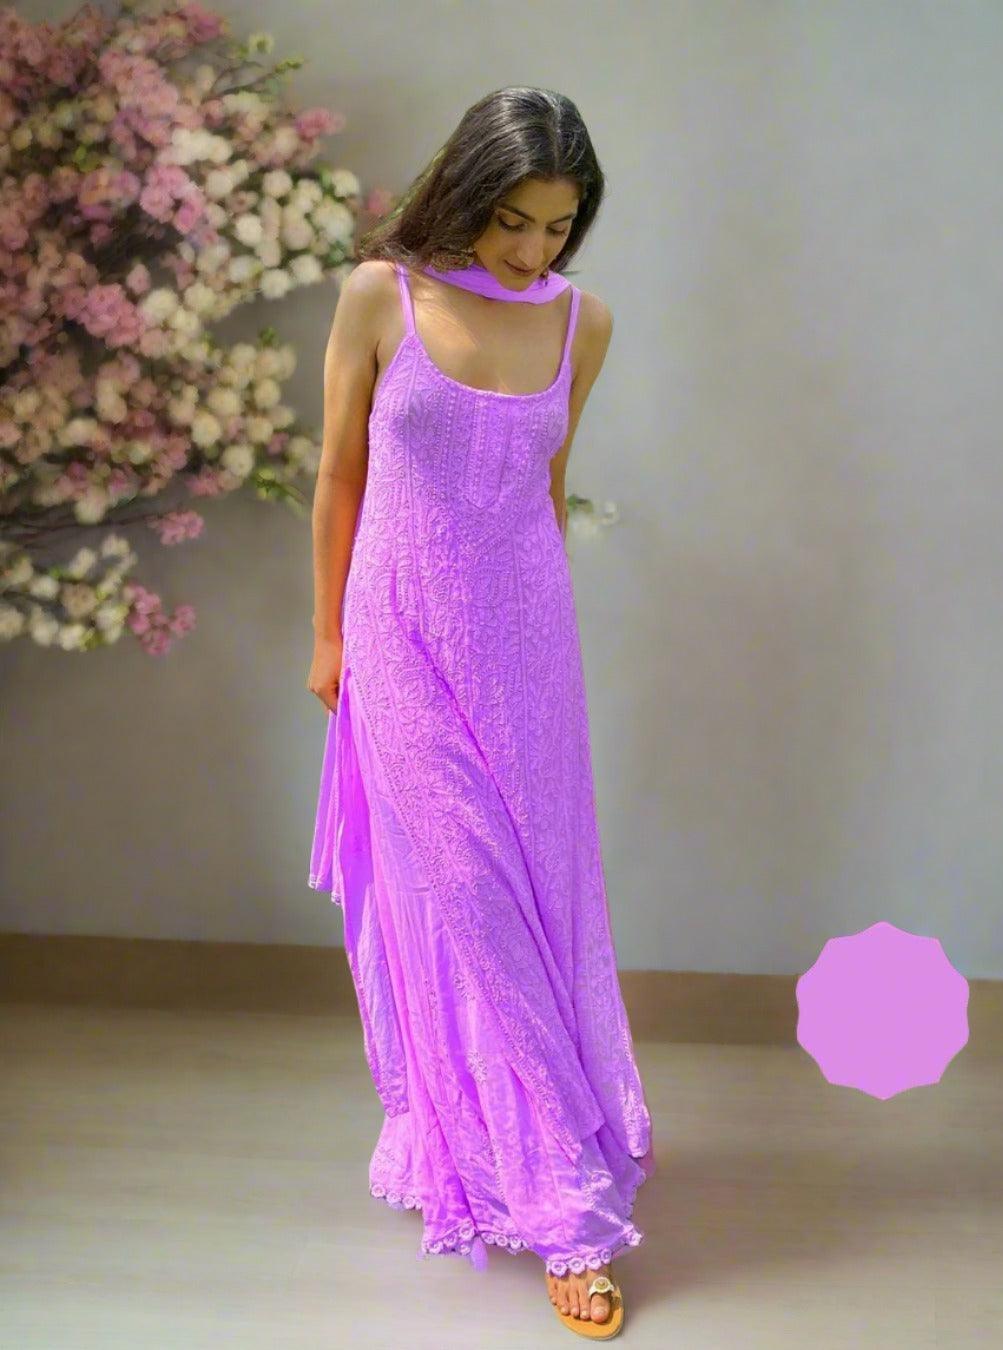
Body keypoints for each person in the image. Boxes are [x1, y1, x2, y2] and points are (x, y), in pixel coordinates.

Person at [307, 85, 654, 1337]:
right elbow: (339, 474)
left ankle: (542, 1140)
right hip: (396, 633)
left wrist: (538, 649)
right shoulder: (378, 297)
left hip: (526, 647)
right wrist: (327, 636)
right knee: (466, 897)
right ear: (464, 192)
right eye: (513, 220)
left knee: (542, 900)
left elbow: (544, 491)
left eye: (558, 226)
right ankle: (568, 1212)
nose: (532, 249)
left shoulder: (582, 322)